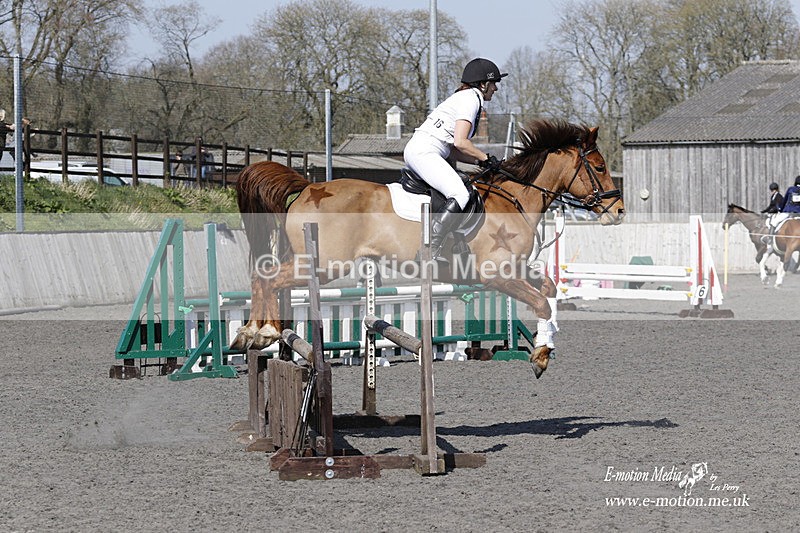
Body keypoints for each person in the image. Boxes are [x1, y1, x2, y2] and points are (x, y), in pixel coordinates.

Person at [403, 58, 507, 260]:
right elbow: (461, 143)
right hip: (425, 152)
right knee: (460, 194)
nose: (495, 88)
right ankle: (429, 248)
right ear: (483, 84)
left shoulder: (465, 97)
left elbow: (454, 150)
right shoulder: (471, 99)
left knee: (465, 186)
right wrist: (486, 157)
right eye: (493, 83)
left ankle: (448, 240)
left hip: (426, 150)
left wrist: (480, 162)